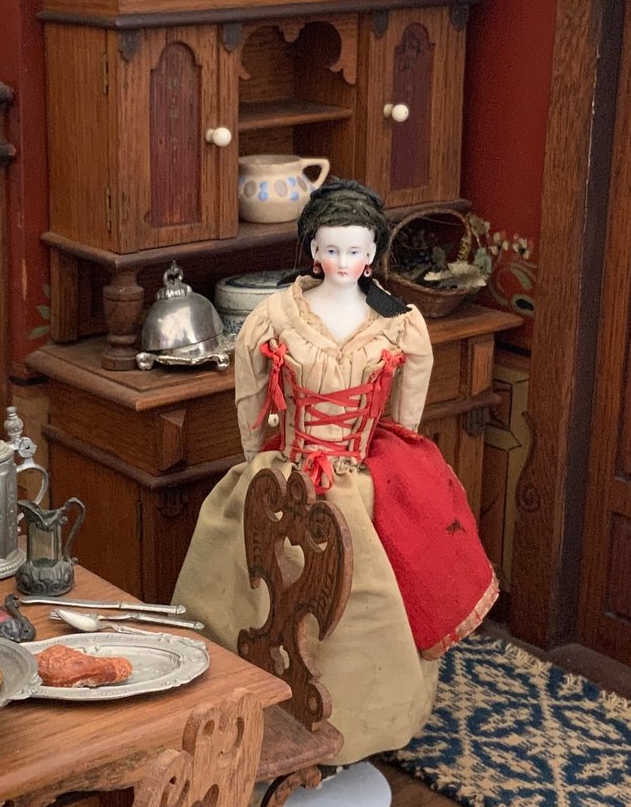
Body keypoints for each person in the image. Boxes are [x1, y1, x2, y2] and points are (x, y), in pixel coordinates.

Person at [173, 179, 498, 761]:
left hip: (356, 475)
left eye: (354, 250)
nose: (342, 261)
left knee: (360, 601)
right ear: (312, 249)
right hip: (286, 470)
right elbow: (250, 396)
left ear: (373, 252)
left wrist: (382, 457)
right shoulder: (275, 316)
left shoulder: (399, 322)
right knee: (261, 590)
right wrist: (256, 463)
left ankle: (350, 731)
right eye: (329, 249)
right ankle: (254, 719)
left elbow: (407, 412)